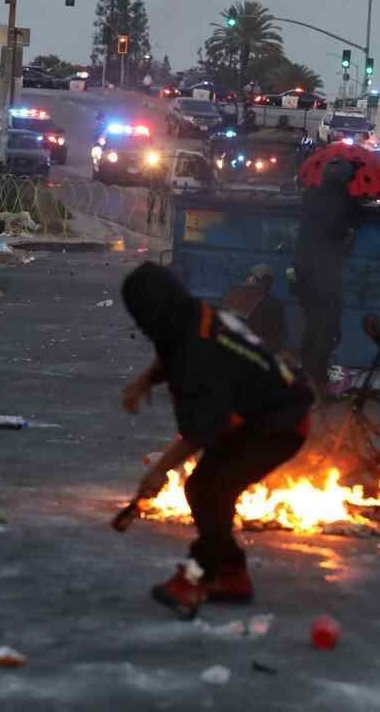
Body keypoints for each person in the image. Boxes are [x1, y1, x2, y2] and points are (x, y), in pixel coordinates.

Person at [121, 262, 314, 618]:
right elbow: (171, 350)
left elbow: (201, 430)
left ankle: (197, 577)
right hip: (256, 414)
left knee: (214, 490)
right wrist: (145, 381)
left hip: (280, 424)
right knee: (202, 488)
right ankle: (232, 574)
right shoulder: (193, 315)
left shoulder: (196, 351)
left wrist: (159, 470)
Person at [293, 157, 361, 399]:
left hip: (302, 269)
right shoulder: (347, 202)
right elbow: (348, 239)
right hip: (326, 271)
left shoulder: (310, 196)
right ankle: (318, 380)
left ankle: (308, 376)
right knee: (327, 326)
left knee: (312, 323)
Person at [221, 264, 288, 356]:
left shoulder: (229, 294)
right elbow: (277, 339)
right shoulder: (273, 303)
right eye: (269, 280)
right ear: (267, 281)